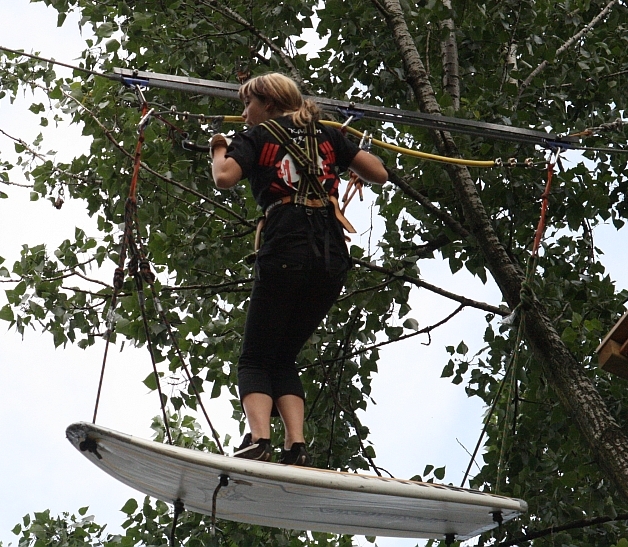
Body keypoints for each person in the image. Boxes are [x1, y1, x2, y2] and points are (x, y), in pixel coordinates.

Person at [210, 73, 387, 466]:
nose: (244, 114)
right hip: (330, 259)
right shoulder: (327, 135)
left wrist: (219, 148)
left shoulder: (257, 136)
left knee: (255, 359)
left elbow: (224, 177)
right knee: (283, 357)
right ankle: (296, 446)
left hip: (285, 249)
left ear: (269, 104)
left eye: (248, 104)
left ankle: (259, 439)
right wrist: (347, 153)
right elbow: (379, 173)